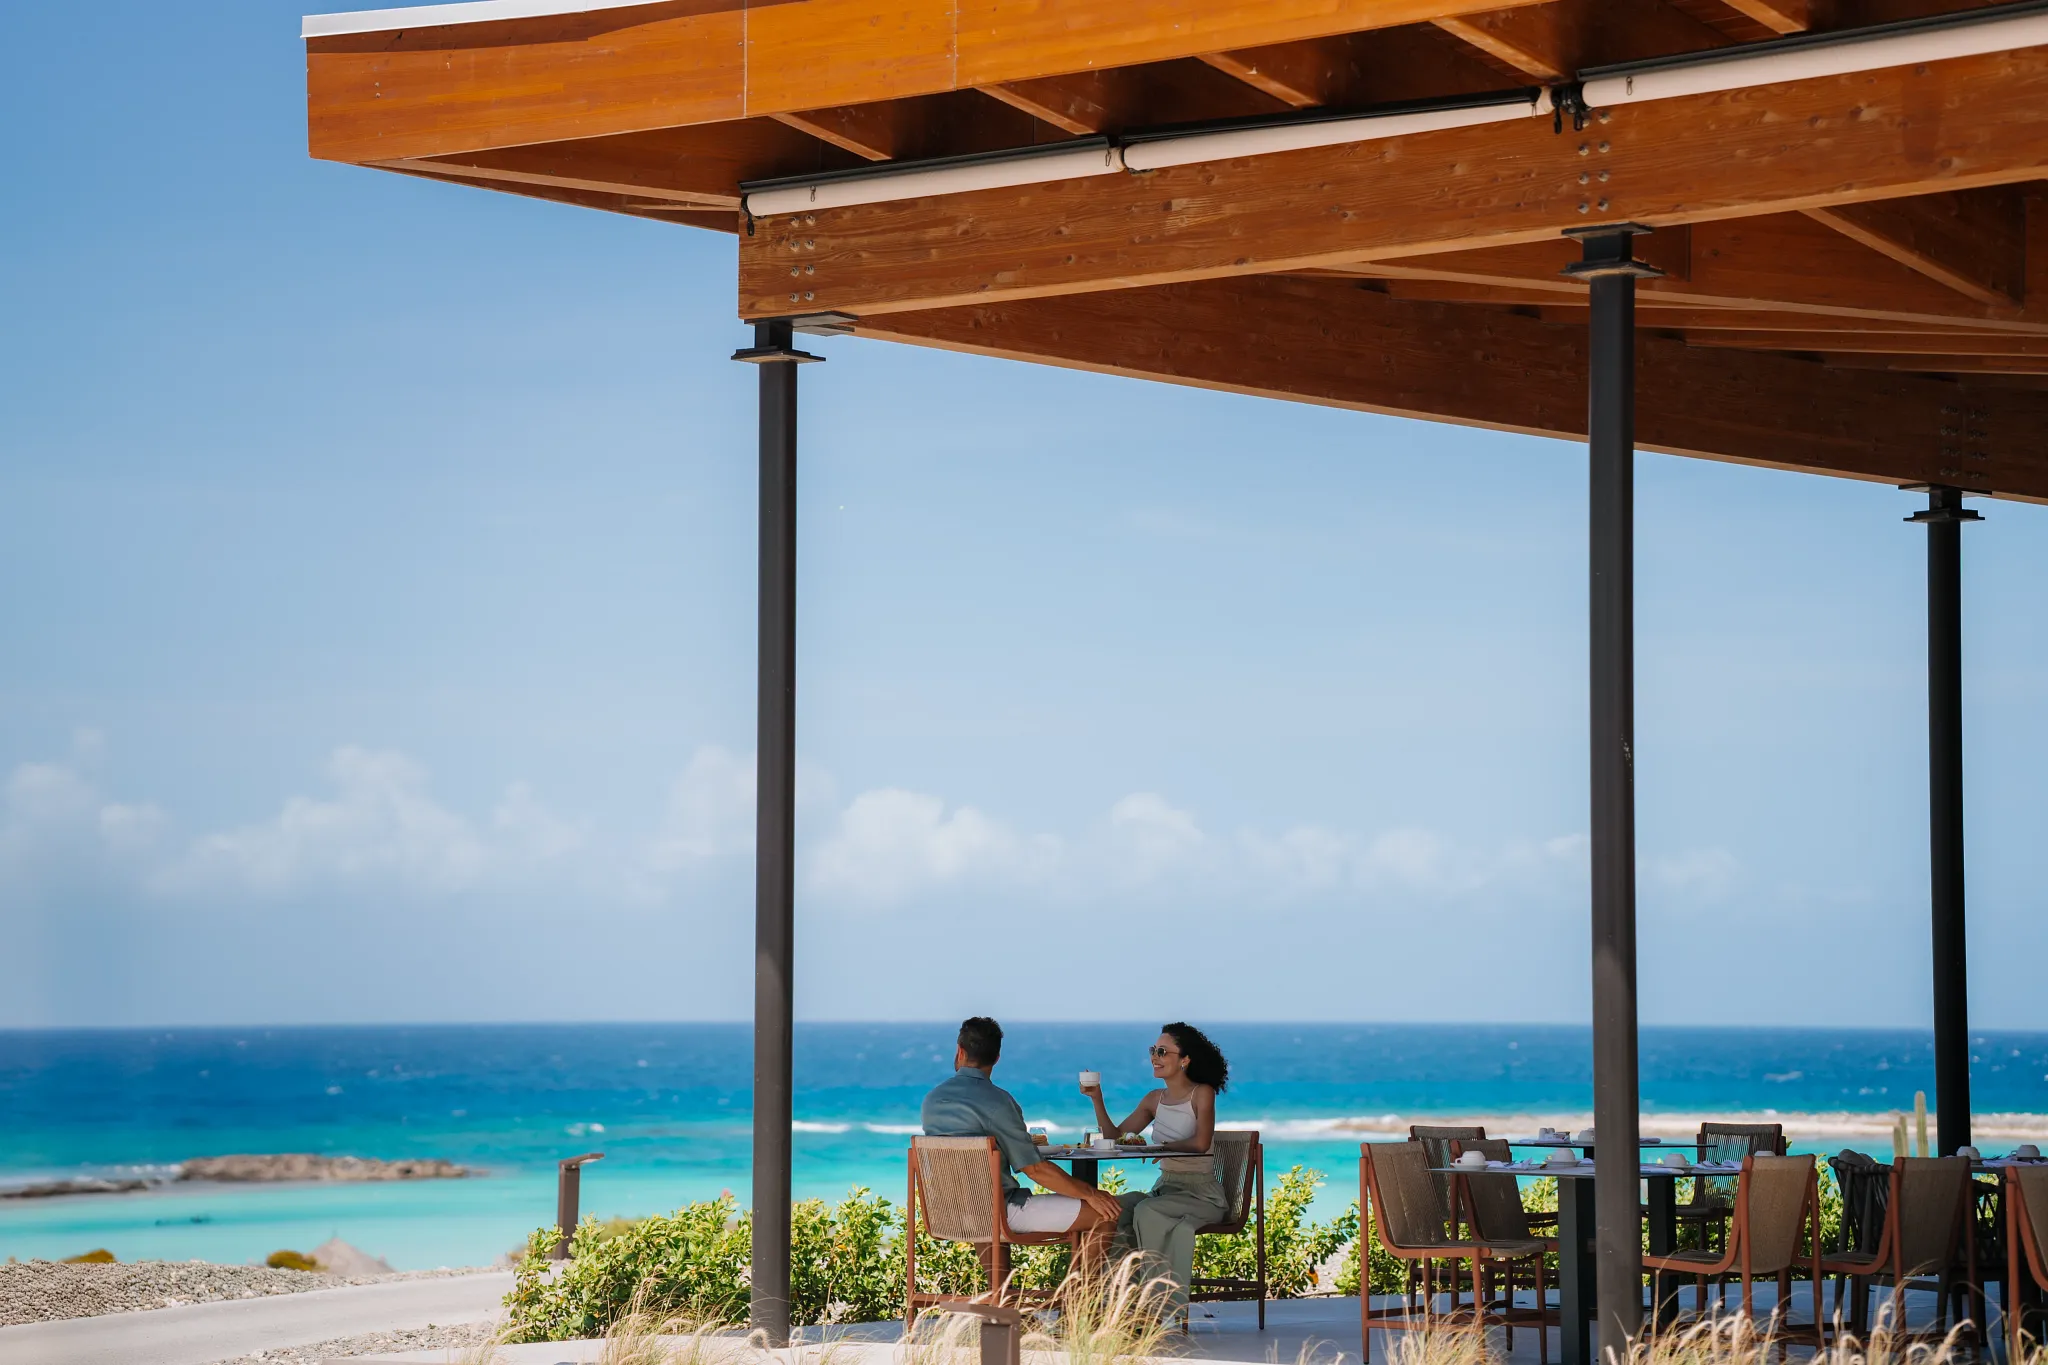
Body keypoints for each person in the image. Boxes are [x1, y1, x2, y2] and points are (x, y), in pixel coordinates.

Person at [920, 1016, 1123, 1272]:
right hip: (996, 1213)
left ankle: (999, 1294)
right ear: (996, 1058)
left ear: (960, 1051)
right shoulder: (997, 1102)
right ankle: (1079, 1296)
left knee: (986, 1203)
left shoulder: (931, 1101)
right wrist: (1091, 1194)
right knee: (1104, 1215)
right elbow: (1034, 1169)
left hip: (948, 1213)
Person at [1080, 1022, 1230, 1316]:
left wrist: (1158, 1148)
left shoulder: (1202, 1093)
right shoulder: (1153, 1100)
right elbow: (1115, 1138)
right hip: (1165, 1189)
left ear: (1185, 1060)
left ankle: (1157, 1305)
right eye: (1153, 1050)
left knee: (1148, 1211)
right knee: (1112, 1208)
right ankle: (1108, 1302)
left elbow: (1201, 1143)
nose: (1154, 1057)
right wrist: (1097, 1098)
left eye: (1162, 1051)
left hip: (1201, 1195)